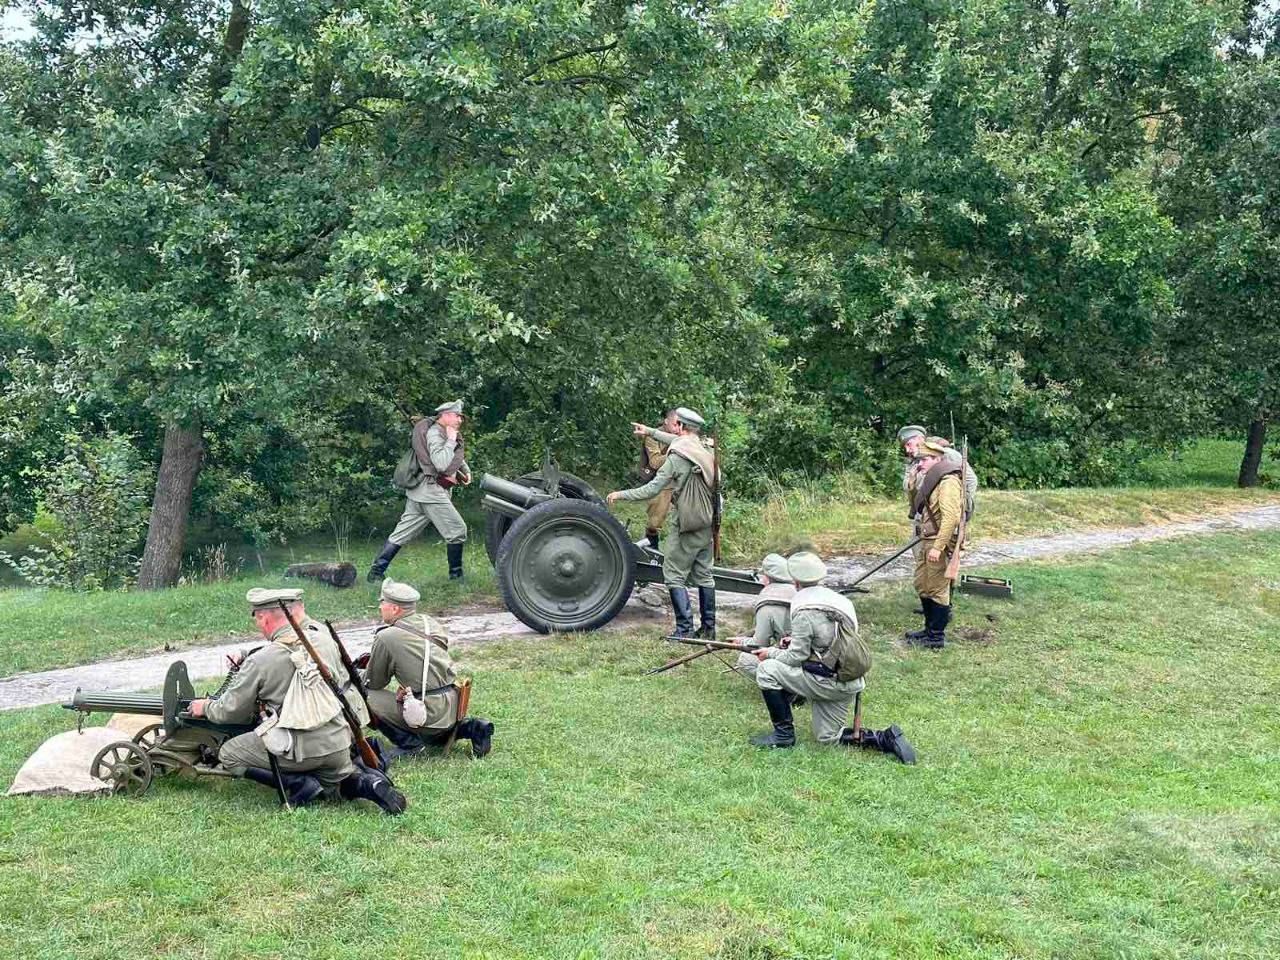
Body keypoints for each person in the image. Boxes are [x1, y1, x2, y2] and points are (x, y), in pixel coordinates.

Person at [187, 588, 406, 814]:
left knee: (229, 754)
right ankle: (370, 785)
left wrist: (205, 706)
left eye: (256, 618)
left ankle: (300, 784)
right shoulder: (323, 638)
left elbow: (229, 712)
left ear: (263, 617)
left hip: (297, 748)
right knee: (336, 785)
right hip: (339, 738)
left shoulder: (260, 661)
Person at [607, 407, 717, 639]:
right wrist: (649, 431)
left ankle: (684, 629)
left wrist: (621, 494)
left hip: (687, 520)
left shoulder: (678, 457)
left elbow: (652, 489)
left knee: (674, 573)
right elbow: (677, 440)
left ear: (679, 426)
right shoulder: (705, 448)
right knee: (704, 574)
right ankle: (708, 629)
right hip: (709, 518)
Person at [361, 579, 494, 760]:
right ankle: (471, 727)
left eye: (382, 602)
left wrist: (359, 672)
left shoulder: (387, 636)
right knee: (433, 729)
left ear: (395, 609)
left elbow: (375, 682)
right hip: (454, 706)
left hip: (428, 712)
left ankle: (411, 744)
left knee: (362, 695)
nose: (380, 606)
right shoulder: (428, 622)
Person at [749, 552, 864, 748]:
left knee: (766, 670)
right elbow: (836, 640)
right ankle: (883, 738)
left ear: (795, 581)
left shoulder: (803, 608)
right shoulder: (841, 601)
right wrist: (795, 640)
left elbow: (796, 657)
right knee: (826, 738)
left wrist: (770, 652)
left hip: (826, 681)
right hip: (850, 680)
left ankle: (783, 736)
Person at [368, 400, 472, 583]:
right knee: (457, 530)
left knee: (402, 532)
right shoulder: (435, 433)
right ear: (446, 415)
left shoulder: (442, 431)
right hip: (431, 492)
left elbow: (453, 456)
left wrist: (465, 470)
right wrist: (450, 440)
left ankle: (375, 573)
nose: (460, 420)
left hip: (420, 492)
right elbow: (440, 463)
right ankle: (456, 577)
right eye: (457, 416)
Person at [906, 439, 963, 648]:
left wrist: (939, 547)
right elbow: (918, 509)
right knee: (923, 584)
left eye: (925, 459)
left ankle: (936, 637)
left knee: (938, 589)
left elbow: (950, 519)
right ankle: (928, 629)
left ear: (938, 460)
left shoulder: (948, 482)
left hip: (937, 542)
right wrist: (912, 487)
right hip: (927, 539)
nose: (920, 463)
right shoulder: (933, 479)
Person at [734, 553, 795, 679]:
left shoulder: (767, 601)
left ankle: (786, 689)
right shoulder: (799, 590)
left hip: (796, 658)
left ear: (767, 578)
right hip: (821, 657)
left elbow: (760, 643)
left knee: (745, 660)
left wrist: (741, 642)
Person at [636, 408, 681, 549]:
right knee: (655, 521)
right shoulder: (652, 437)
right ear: (666, 421)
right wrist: (676, 451)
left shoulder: (682, 437)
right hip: (661, 482)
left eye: (680, 424)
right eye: (675, 424)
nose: (677, 428)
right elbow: (654, 462)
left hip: (679, 480)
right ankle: (651, 550)